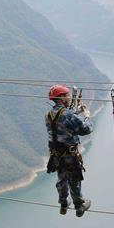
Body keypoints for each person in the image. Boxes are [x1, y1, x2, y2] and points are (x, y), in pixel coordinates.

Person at [46, 85, 93, 216]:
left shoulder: (49, 115)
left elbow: (62, 121)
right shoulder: (68, 114)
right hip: (69, 155)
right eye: (66, 95)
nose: (68, 97)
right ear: (61, 97)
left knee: (62, 178)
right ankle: (79, 206)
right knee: (74, 179)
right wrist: (87, 116)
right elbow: (86, 129)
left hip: (56, 154)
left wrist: (75, 112)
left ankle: (63, 204)